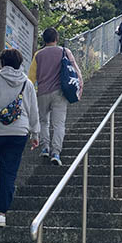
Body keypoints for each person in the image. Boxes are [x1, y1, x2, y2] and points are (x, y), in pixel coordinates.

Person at [0, 48, 39, 227]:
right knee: (9, 173)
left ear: (2, 63)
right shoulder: (27, 84)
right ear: (20, 64)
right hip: (18, 133)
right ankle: (1, 215)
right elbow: (33, 110)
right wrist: (35, 133)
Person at [28, 27, 83, 166]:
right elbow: (76, 71)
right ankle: (56, 152)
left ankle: (45, 147)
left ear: (44, 40)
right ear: (56, 39)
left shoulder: (38, 55)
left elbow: (31, 78)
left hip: (42, 93)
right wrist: (80, 87)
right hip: (60, 93)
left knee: (43, 121)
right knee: (59, 124)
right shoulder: (64, 51)